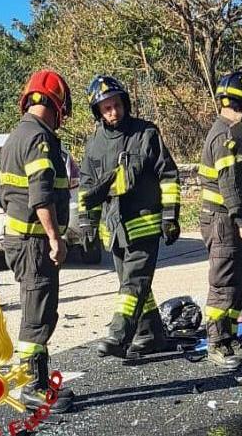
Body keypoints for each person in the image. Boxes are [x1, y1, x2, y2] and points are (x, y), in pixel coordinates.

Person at [78, 75, 181, 358]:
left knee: (133, 284)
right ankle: (151, 335)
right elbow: (87, 188)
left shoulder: (145, 134)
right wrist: (86, 225)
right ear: (98, 111)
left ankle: (118, 334)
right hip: (115, 230)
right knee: (137, 286)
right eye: (106, 108)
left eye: (117, 105)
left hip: (145, 225)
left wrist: (170, 216)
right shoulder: (94, 145)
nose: (113, 112)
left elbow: (169, 176)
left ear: (125, 103)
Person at [0, 69, 75, 412]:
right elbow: (40, 196)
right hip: (33, 243)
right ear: (57, 104)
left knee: (38, 308)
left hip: (22, 240)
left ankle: (38, 382)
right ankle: (33, 386)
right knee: (37, 311)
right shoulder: (40, 139)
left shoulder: (18, 135)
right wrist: (55, 238)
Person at [199, 71, 242, 370]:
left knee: (238, 284)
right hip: (224, 221)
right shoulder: (226, 135)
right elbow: (229, 185)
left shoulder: (229, 131)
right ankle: (216, 343)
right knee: (224, 283)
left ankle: (228, 338)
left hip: (228, 220)